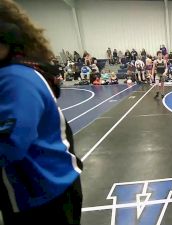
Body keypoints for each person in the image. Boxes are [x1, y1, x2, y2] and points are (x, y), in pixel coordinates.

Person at [0, 1, 83, 224]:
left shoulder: (15, 79)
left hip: (43, 194)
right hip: (40, 190)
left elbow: (11, 145)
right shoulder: (15, 73)